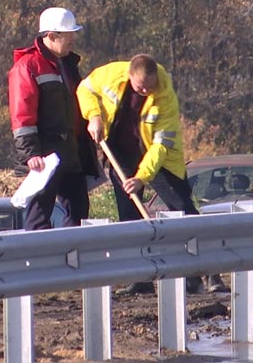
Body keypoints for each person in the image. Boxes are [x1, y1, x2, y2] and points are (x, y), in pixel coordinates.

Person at [76, 54, 227, 295]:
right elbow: (85, 88)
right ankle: (141, 278)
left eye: (149, 85)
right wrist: (94, 116)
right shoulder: (112, 74)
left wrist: (142, 177)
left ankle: (207, 273)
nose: (145, 90)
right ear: (129, 76)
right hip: (121, 155)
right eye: (139, 87)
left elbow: (160, 146)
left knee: (184, 210)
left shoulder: (165, 96)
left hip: (159, 160)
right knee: (129, 217)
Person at [8, 7, 98, 231]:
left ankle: (72, 258)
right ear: (51, 36)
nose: (73, 40)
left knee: (78, 211)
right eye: (69, 35)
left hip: (70, 153)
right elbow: (22, 114)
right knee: (39, 215)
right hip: (46, 158)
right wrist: (32, 154)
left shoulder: (66, 65)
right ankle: (38, 261)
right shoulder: (27, 67)